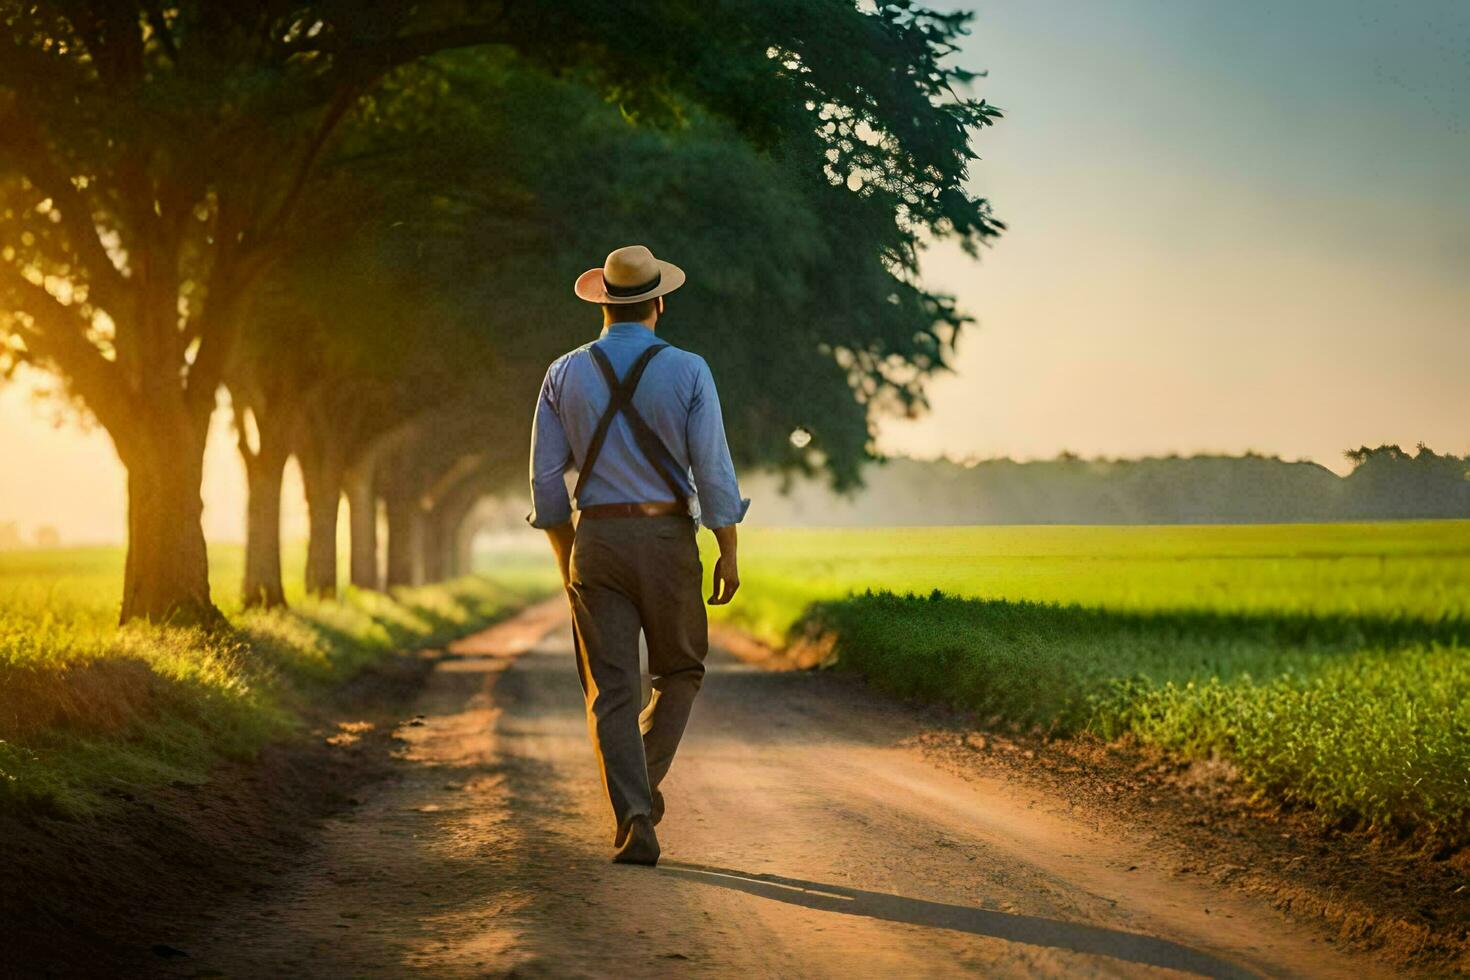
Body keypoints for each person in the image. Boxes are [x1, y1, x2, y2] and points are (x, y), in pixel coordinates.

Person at [527, 244, 748, 865]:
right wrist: (727, 548)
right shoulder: (690, 370)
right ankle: (641, 791)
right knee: (680, 671)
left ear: (602, 303)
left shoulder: (561, 373)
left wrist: (569, 554)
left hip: (594, 540)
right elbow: (713, 472)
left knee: (611, 690)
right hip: (667, 538)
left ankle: (632, 813)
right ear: (659, 302)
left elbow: (546, 485)